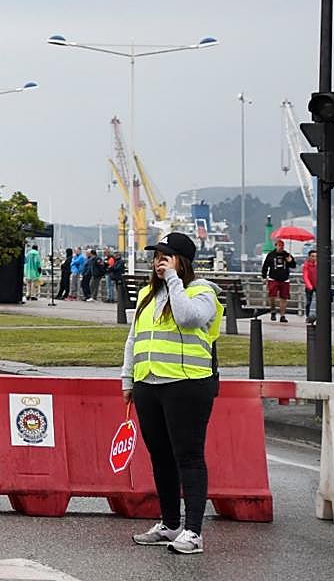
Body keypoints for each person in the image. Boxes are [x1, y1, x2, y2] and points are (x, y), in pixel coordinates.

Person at [120, 232, 222, 555]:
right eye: (156, 256)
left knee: (189, 457)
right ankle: (169, 523)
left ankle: (193, 532)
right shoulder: (149, 294)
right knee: (161, 458)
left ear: (182, 261)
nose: (159, 261)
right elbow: (134, 338)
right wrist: (128, 378)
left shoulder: (201, 291)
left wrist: (175, 280)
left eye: (166, 255)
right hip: (149, 384)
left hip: (187, 385)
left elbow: (188, 317)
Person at [261, 239, 296, 323]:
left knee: (284, 298)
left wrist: (290, 261)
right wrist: (264, 276)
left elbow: (293, 265)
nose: (281, 247)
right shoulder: (271, 255)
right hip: (273, 278)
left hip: (284, 279)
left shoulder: (287, 255)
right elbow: (265, 266)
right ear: (276, 246)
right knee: (272, 296)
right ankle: (273, 310)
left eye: (282, 245)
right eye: (279, 245)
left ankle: (282, 315)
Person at [303, 249, 318, 321]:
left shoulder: (318, 264)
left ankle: (318, 316)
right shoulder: (306, 265)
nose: (314, 258)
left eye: (315, 256)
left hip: (318, 285)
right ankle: (308, 316)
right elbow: (305, 276)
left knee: (320, 302)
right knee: (308, 302)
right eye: (312, 256)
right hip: (309, 286)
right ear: (309, 257)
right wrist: (309, 286)